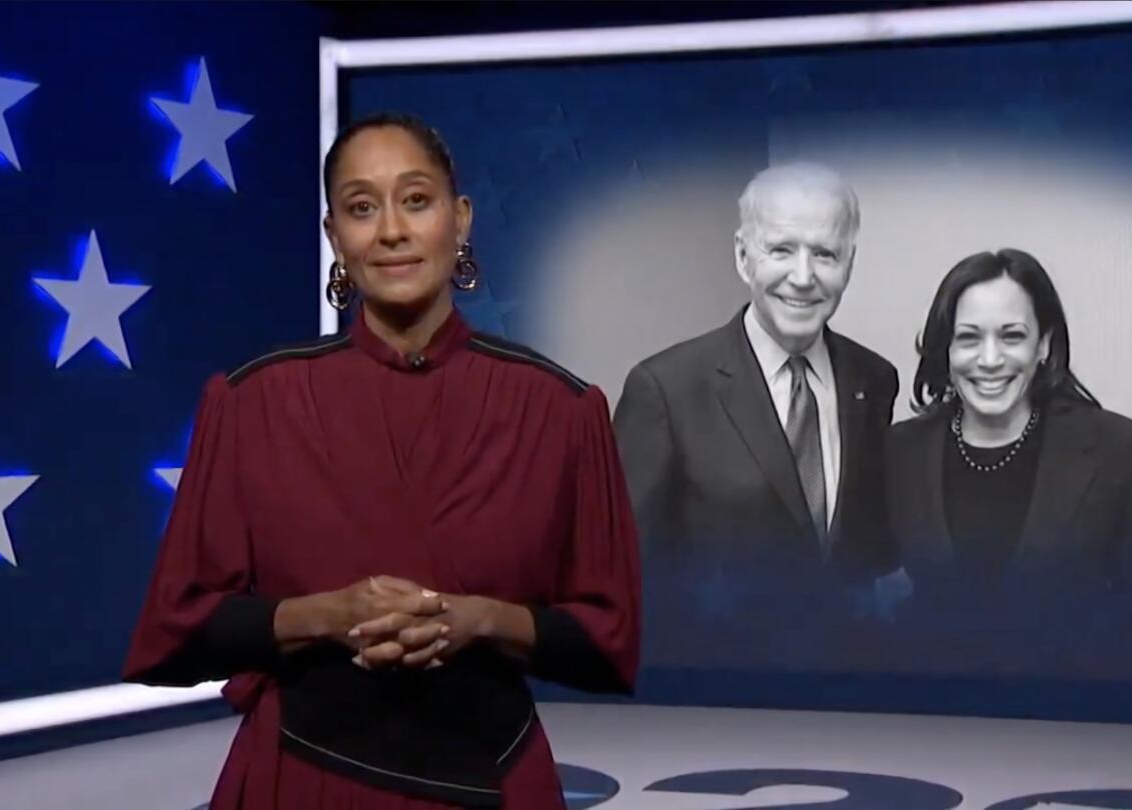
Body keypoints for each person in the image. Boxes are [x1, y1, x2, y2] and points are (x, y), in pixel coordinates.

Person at [123, 113, 639, 809]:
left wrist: (480, 619)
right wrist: (329, 615)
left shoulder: (561, 408)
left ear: (460, 220)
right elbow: (179, 632)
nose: (391, 230)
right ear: (336, 237)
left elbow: (606, 642)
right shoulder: (252, 401)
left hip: (494, 775)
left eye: (416, 200)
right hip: (301, 778)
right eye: (362, 208)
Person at [612, 163, 898, 662]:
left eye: (825, 254)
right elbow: (623, 575)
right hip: (719, 700)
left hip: (850, 696)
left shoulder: (873, 380)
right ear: (744, 257)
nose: (804, 277)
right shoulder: (664, 389)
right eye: (782, 250)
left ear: (849, 264)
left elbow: (867, 552)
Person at [884, 248, 1132, 612]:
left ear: (1044, 346)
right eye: (969, 337)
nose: (990, 360)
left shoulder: (1124, 451)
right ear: (946, 350)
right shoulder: (900, 450)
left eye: (1012, 336)